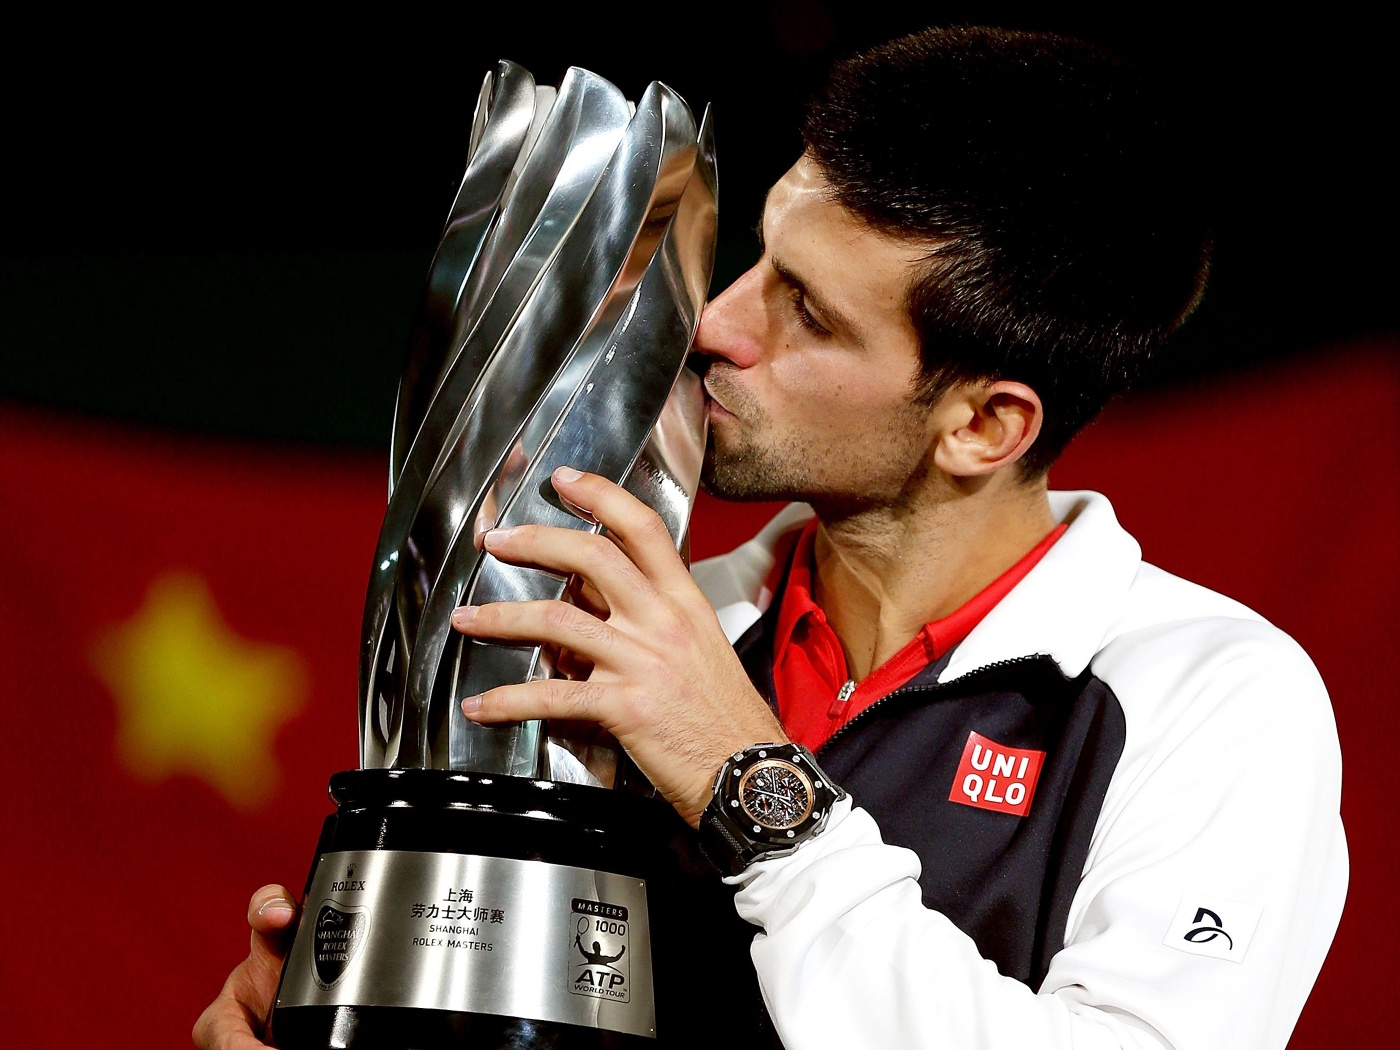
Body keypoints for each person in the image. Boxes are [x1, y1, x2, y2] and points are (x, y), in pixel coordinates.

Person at [194, 25, 1346, 1050]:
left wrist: (755, 793)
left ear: (984, 424)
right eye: (757, 260)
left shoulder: (1210, 695)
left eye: (806, 312)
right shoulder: (628, 634)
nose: (715, 324)